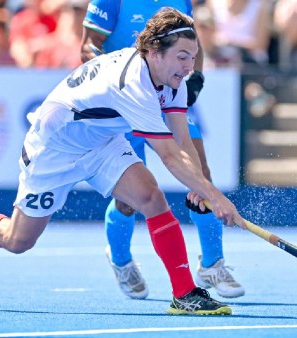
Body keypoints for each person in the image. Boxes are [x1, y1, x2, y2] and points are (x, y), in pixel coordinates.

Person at [0, 7, 241, 316]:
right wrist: (214, 196)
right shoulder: (133, 83)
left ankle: (184, 294)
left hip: (101, 141)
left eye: (193, 57)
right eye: (182, 57)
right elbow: (170, 155)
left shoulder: (172, 80)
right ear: (155, 52)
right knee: (18, 240)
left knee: (151, 198)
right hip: (56, 146)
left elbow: (183, 143)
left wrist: (204, 188)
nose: (189, 66)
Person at [80, 1, 244, 300]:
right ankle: (120, 259)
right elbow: (89, 46)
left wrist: (195, 77)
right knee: (130, 199)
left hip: (165, 97)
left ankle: (212, 264)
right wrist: (120, 77)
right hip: (125, 105)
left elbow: (190, 40)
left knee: (200, 174)